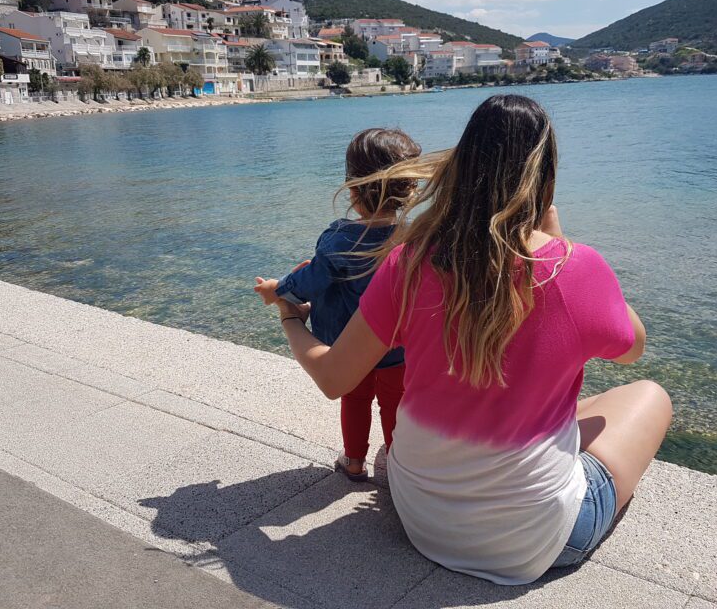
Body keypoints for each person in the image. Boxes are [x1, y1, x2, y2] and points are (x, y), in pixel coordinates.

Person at [271, 95, 672, 584]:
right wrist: (563, 243)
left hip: (417, 515)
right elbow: (633, 347)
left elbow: (334, 378)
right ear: (545, 177)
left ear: (462, 166)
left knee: (552, 410)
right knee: (649, 396)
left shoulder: (409, 261)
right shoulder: (572, 266)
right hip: (533, 542)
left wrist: (291, 318)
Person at [255, 127, 422, 481]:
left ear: (353, 190)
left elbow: (309, 280)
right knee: (394, 405)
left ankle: (354, 462)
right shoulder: (413, 239)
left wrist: (277, 289)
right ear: (408, 190)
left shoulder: (341, 239)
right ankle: (398, 468)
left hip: (350, 347)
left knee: (355, 401)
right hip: (397, 350)